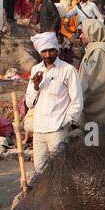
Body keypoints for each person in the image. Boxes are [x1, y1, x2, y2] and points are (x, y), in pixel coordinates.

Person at [25, 31, 83, 175]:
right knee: (40, 172)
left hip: (57, 130)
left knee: (60, 171)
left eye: (51, 50)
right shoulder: (35, 70)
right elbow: (29, 103)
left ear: (57, 50)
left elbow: (77, 101)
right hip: (39, 130)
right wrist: (36, 86)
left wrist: (65, 122)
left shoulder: (68, 70)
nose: (48, 55)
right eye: (44, 51)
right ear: (40, 53)